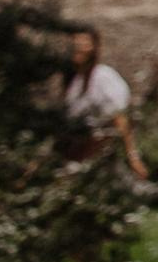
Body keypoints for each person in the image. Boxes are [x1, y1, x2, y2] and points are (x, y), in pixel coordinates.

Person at [60, 28, 147, 180]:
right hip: (74, 152)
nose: (79, 46)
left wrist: (133, 157)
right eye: (76, 42)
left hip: (96, 155)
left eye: (84, 42)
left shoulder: (102, 76)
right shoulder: (75, 82)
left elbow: (119, 118)